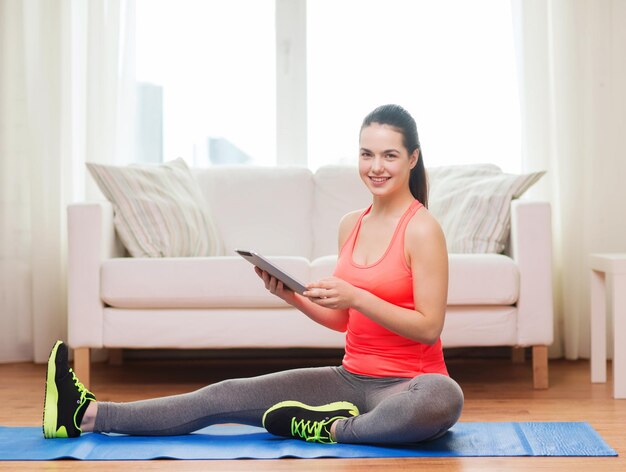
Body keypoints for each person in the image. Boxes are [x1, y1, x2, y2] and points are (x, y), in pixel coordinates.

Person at [42, 104, 464, 445]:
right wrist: (292, 296)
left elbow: (428, 328)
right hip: (350, 380)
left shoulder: (422, 228)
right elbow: (343, 322)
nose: (376, 166)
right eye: (366, 154)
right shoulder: (351, 223)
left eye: (389, 155)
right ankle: (85, 414)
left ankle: (329, 429)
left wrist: (355, 296)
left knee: (444, 398)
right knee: (224, 394)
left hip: (412, 385)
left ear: (412, 158)